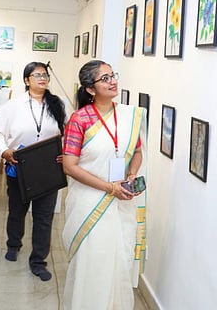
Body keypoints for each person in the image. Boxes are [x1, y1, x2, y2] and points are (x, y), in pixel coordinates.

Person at [61, 60, 147, 310]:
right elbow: (70, 166)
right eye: (105, 78)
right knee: (94, 264)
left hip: (121, 203)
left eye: (113, 76)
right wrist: (109, 188)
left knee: (119, 261)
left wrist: (131, 175)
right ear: (90, 88)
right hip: (90, 203)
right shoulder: (79, 119)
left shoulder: (128, 116)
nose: (113, 82)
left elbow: (137, 152)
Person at [0, 62, 66, 281]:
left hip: (49, 168)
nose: (42, 78)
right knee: (17, 211)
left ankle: (38, 261)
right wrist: (4, 151)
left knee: (44, 217)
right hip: (19, 165)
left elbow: (67, 133)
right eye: (37, 74)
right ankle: (13, 244)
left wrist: (66, 153)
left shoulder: (57, 104)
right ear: (26, 80)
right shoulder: (13, 106)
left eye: (45, 75)